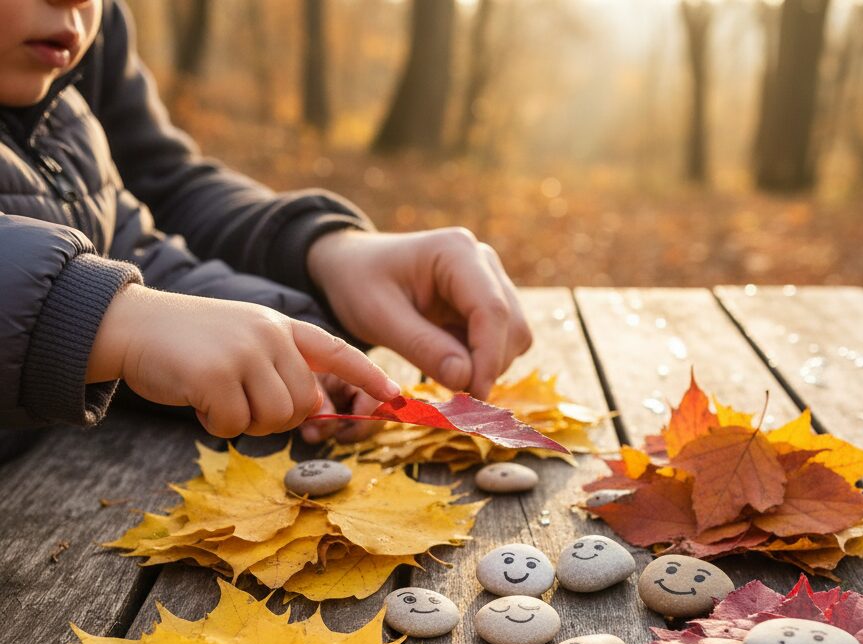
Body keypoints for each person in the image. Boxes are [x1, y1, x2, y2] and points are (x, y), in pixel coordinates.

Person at [0, 0, 532, 460]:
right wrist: (98, 319)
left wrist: (307, 292)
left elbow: (139, 233)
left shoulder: (67, 111)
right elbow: (130, 304)